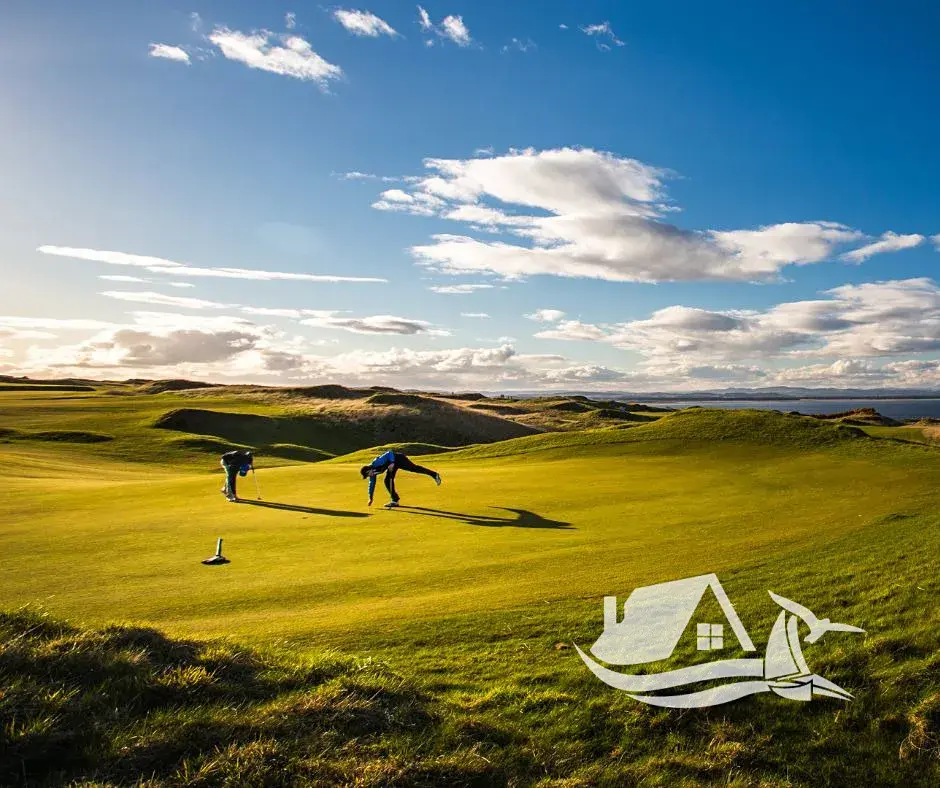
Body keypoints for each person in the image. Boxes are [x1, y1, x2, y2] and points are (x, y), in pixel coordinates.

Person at [361, 449, 441, 508]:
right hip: (392, 465)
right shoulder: (373, 474)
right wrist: (370, 498)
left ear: (369, 470)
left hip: (398, 459)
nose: (369, 476)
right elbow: (371, 484)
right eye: (368, 476)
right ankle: (395, 501)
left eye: (368, 474)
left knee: (413, 468)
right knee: (387, 481)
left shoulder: (376, 462)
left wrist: (392, 462)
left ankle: (434, 475)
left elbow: (389, 453)